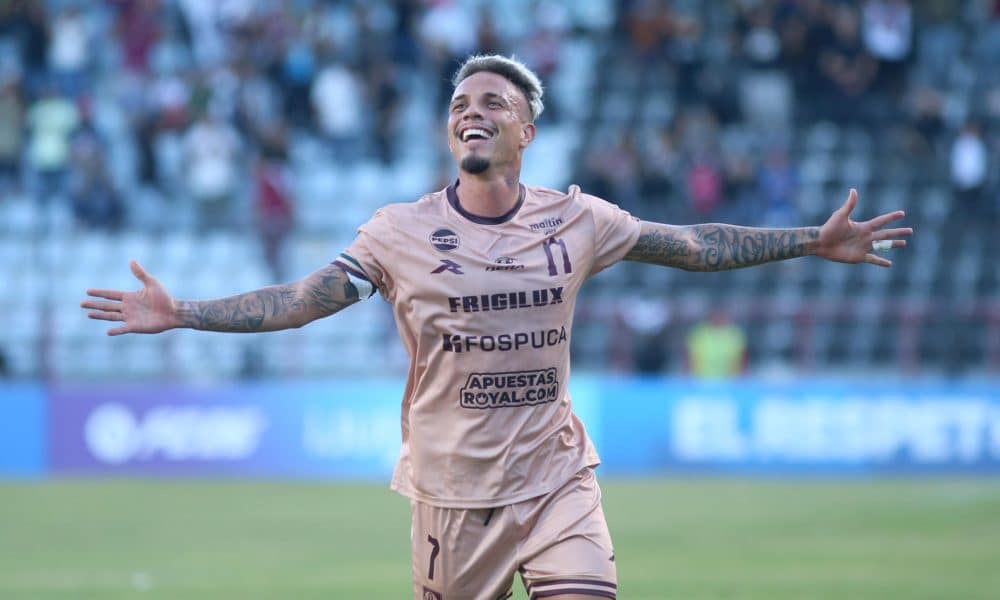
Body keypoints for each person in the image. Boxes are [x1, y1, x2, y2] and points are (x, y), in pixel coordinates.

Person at [82, 54, 912, 600]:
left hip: (556, 479)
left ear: (526, 132)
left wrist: (812, 239)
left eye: (492, 103)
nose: (470, 112)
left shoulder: (579, 218)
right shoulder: (397, 232)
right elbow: (306, 297)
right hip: (453, 495)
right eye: (459, 103)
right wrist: (184, 312)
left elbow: (693, 246)